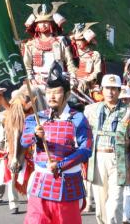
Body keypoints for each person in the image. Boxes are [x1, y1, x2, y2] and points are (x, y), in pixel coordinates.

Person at [21, 61, 93, 224]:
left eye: (57, 92)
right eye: (48, 92)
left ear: (67, 95)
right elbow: (24, 141)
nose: (52, 96)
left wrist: (61, 165)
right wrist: (35, 136)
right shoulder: (37, 118)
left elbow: (86, 149)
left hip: (67, 186)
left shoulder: (78, 119)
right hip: (40, 184)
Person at [84, 75, 130, 224]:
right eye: (107, 88)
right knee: (100, 208)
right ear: (102, 90)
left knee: (114, 205)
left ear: (119, 91)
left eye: (114, 89)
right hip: (96, 160)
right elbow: (83, 137)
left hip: (119, 160)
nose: (110, 92)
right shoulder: (90, 110)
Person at [23, 2, 77, 111]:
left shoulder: (60, 41)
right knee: (19, 95)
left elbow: (69, 62)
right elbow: (27, 65)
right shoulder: (30, 44)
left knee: (73, 100)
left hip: (58, 79)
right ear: (36, 25)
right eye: (40, 22)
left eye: (46, 22)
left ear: (51, 24)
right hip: (37, 80)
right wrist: (31, 78)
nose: (43, 25)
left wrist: (73, 78)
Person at [0, 86, 35, 215]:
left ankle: (32, 199)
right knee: (11, 174)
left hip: (27, 148)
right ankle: (13, 202)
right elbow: (1, 135)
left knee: (30, 174)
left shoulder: (30, 114)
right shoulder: (7, 115)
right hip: (10, 147)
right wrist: (0, 147)